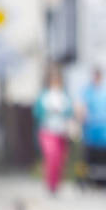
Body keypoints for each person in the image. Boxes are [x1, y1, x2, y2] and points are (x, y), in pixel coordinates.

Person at [33, 66, 74, 195]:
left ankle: (57, 184)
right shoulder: (44, 96)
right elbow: (37, 113)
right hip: (48, 130)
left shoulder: (64, 96)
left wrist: (63, 113)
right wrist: (48, 112)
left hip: (61, 131)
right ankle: (50, 184)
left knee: (60, 159)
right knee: (51, 156)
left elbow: (70, 112)